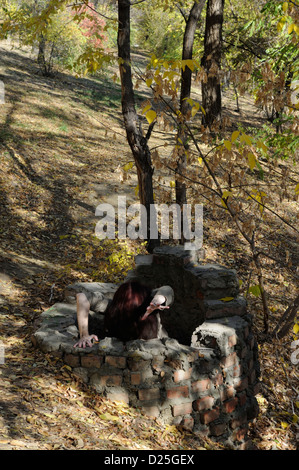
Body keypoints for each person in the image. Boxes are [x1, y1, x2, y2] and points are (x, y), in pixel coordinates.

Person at [74, 281, 174, 348]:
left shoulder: (150, 308)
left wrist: (158, 299)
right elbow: (82, 296)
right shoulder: (112, 308)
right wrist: (84, 335)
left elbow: (167, 289)